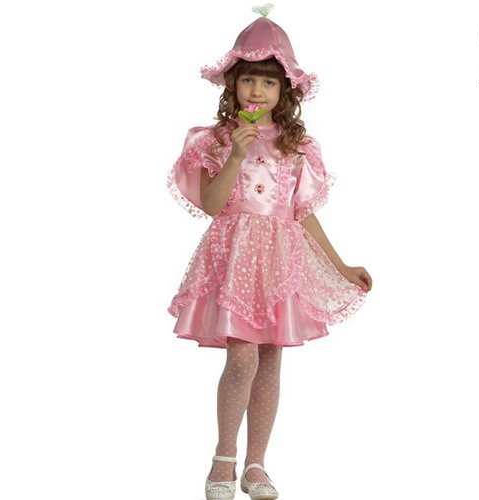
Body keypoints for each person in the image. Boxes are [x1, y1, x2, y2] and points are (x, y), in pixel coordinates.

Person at [166, 6, 373, 500]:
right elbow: (212, 205)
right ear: (233, 85)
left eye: (268, 82)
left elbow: (301, 213)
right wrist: (236, 155)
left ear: (285, 91)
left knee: (270, 357)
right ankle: (223, 457)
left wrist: (341, 265)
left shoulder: (297, 146)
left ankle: (256, 464)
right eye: (248, 80)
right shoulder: (216, 140)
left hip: (280, 260)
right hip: (236, 255)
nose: (256, 91)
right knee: (241, 356)